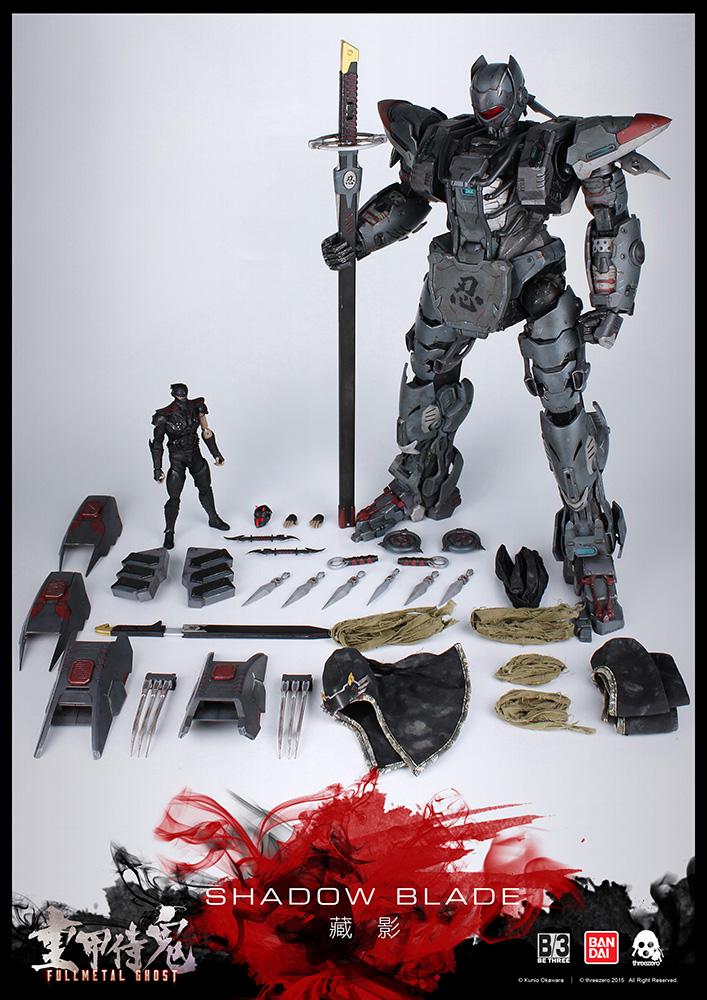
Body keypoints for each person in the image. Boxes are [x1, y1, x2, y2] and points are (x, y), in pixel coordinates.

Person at [320, 55, 670, 635]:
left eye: (498, 98)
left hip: (531, 277)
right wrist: (359, 236)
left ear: (517, 95)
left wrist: (610, 304)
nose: (489, 109)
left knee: (562, 398)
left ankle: (586, 532)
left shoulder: (549, 143)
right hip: (463, 279)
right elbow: (409, 195)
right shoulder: (445, 140)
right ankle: (421, 480)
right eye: (481, 98)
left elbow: (609, 211)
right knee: (427, 370)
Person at [149, 383, 229, 549]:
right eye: (180, 395)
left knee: (206, 488)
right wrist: (157, 468)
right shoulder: (164, 416)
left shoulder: (197, 407)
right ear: (174, 395)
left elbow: (206, 431)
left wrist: (216, 453)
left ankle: (213, 518)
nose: (182, 397)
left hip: (195, 454)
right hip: (177, 458)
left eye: (184, 394)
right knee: (174, 497)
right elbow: (157, 444)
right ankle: (169, 531)